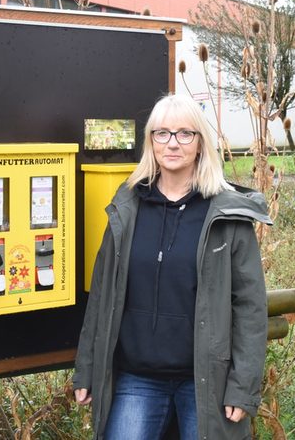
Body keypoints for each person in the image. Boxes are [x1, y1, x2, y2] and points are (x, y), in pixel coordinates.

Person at [73, 93, 271, 440]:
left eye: (185, 134)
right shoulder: (127, 207)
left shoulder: (227, 216)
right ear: (151, 142)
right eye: (162, 133)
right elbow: (101, 296)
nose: (173, 143)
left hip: (206, 380)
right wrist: (87, 369)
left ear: (200, 143)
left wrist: (243, 386)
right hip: (137, 378)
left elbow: (250, 308)